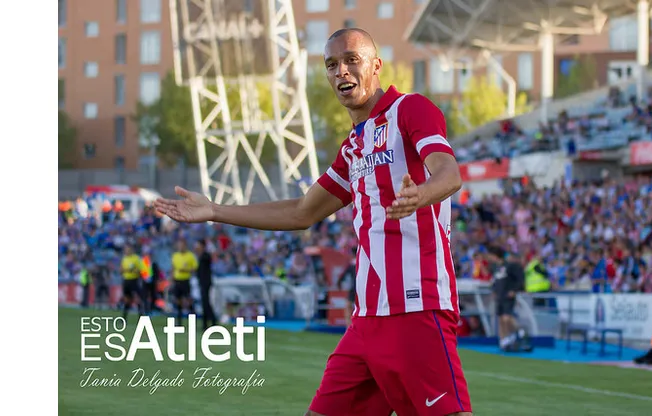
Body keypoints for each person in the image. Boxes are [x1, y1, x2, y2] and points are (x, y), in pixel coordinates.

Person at [155, 28, 472, 416]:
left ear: (376, 65)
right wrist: (216, 211)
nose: (342, 71)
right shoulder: (352, 147)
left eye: (351, 60)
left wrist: (421, 194)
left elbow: (449, 173)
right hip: (366, 319)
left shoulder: (410, 109)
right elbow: (301, 212)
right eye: (332, 64)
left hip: (416, 306)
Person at [486, 246, 529, 352]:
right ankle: (504, 340)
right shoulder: (495, 268)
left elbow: (519, 279)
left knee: (507, 318)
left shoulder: (509, 266)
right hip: (499, 296)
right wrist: (494, 291)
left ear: (495, 255)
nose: (489, 258)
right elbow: (495, 281)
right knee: (501, 319)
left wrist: (514, 290)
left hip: (507, 296)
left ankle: (520, 332)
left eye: (490, 255)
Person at [171, 239, 198, 326]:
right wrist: (171, 278)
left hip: (185, 281)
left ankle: (193, 321)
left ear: (185, 246)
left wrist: (186, 270)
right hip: (177, 281)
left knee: (188, 300)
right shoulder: (175, 256)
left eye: (182, 245)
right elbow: (173, 268)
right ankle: (179, 322)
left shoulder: (190, 256)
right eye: (179, 245)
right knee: (178, 301)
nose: (180, 247)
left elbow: (195, 268)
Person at [195, 239, 216, 331]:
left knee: (206, 303)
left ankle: (211, 321)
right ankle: (207, 323)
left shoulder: (205, 256)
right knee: (205, 303)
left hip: (205, 282)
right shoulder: (201, 256)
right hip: (202, 282)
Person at [119, 244, 144, 321]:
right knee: (127, 300)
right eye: (125, 250)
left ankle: (141, 319)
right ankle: (124, 318)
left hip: (134, 281)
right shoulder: (124, 259)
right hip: (126, 281)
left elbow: (141, 270)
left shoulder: (136, 258)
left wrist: (134, 271)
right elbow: (121, 270)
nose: (126, 251)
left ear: (131, 250)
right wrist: (127, 270)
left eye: (128, 249)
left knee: (138, 299)